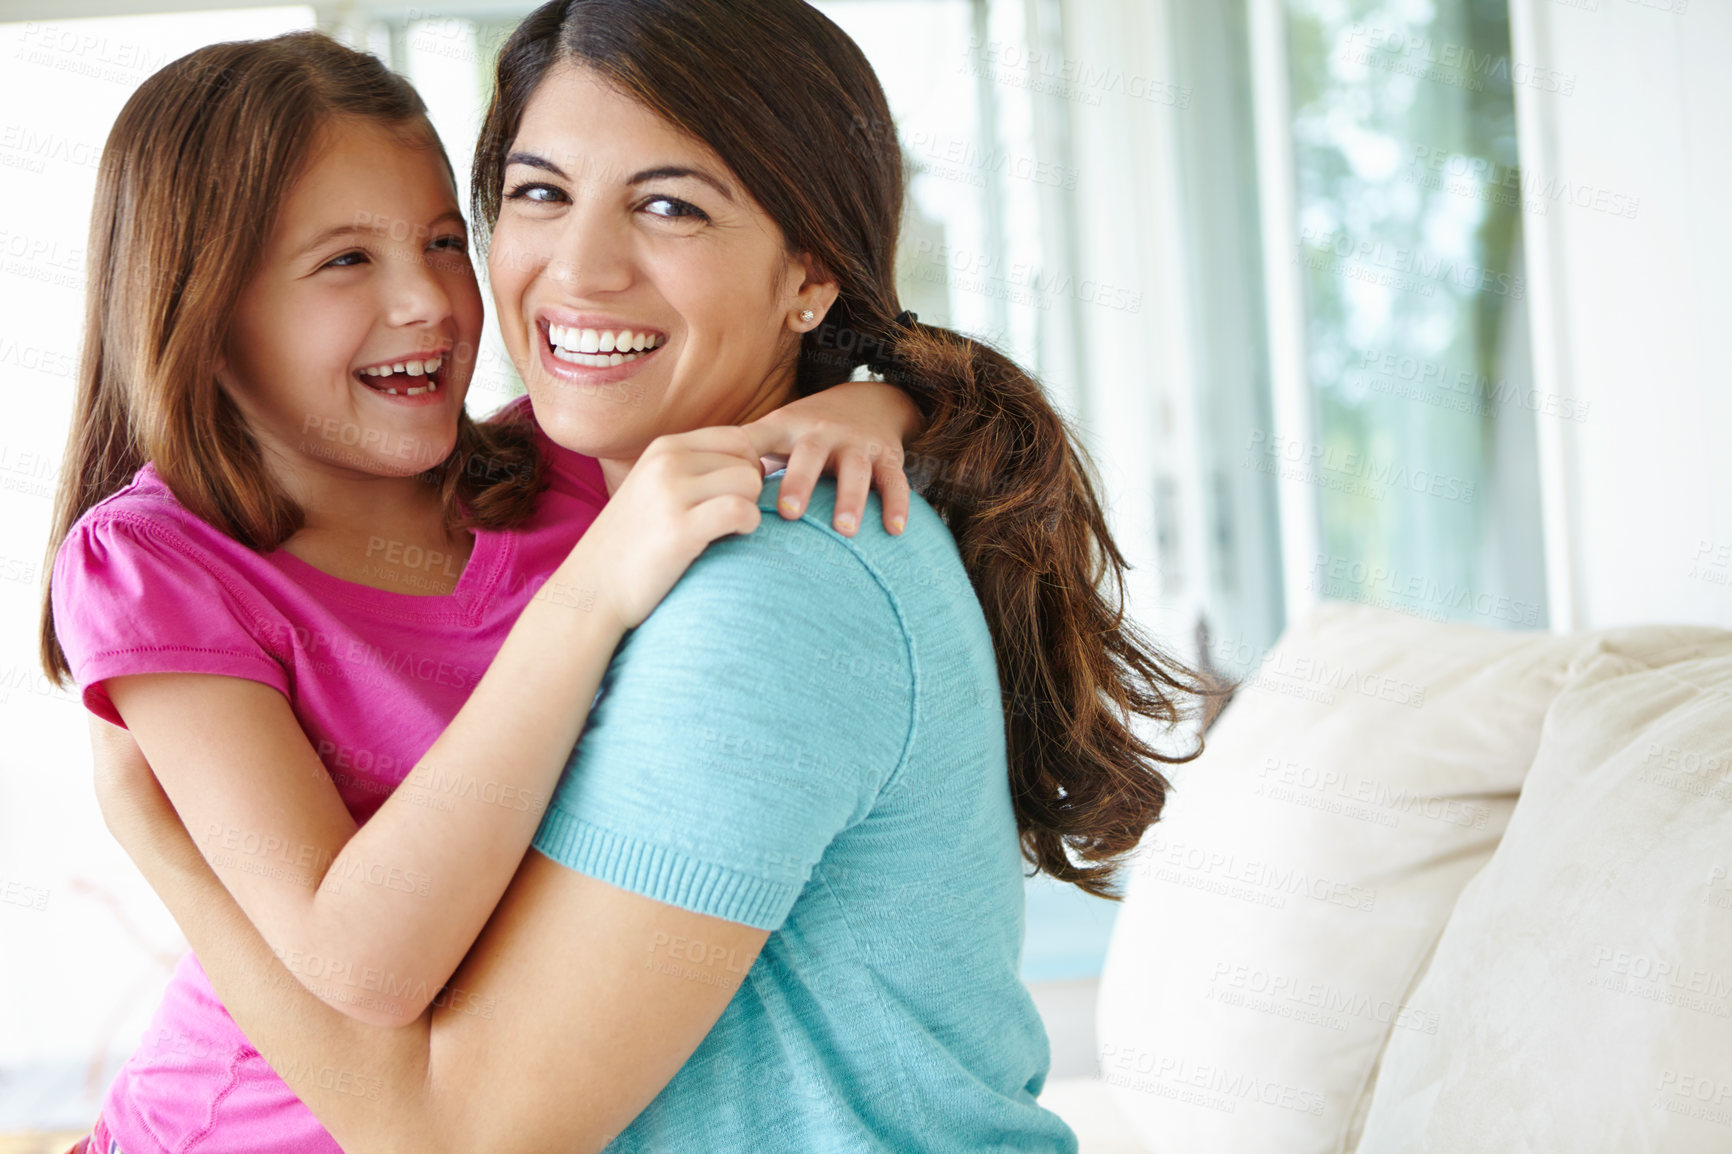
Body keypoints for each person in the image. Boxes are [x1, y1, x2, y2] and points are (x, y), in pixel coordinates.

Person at [88, 1, 1226, 1150]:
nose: (576, 268)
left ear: (811, 274)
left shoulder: (750, 569)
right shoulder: (612, 482)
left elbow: (464, 1135)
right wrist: (863, 396)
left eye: (670, 206)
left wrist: (167, 848)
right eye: (539, 193)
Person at [42, 30, 924, 1154]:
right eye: (345, 261)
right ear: (207, 310)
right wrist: (587, 598)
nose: (428, 301)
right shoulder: (158, 567)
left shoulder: (555, 471)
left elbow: (821, 382)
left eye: (443, 241)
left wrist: (868, 407)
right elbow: (365, 964)